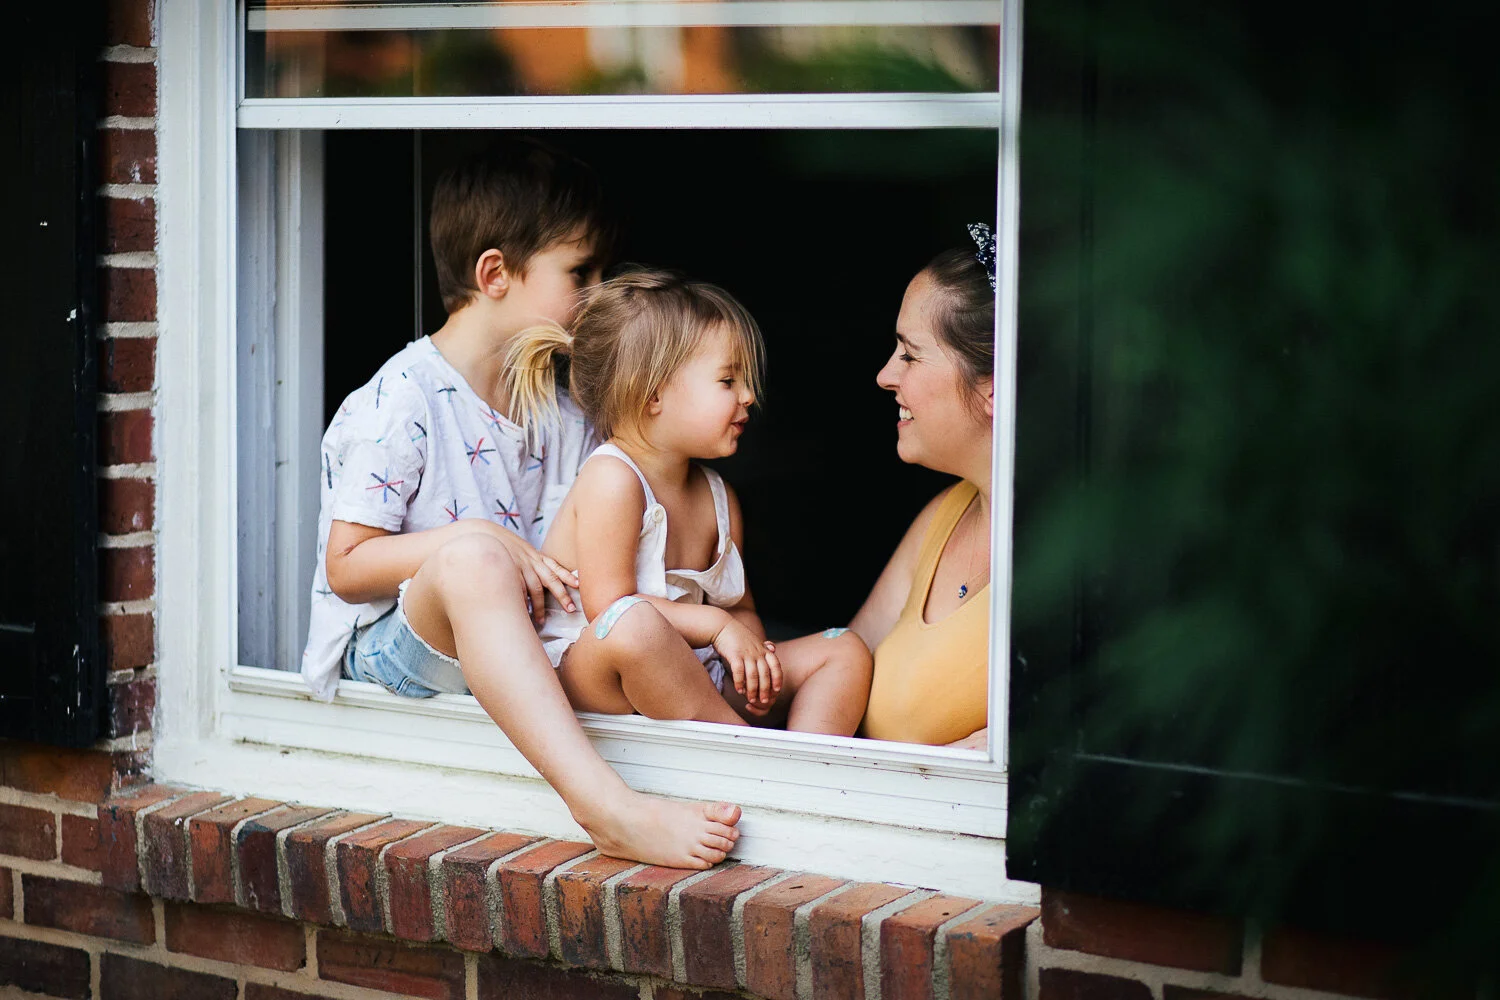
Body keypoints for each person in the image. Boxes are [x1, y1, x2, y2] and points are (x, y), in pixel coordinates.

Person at [301, 140, 741, 869]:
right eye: (581, 273)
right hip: (396, 648)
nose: (600, 292)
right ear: (495, 274)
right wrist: (474, 537)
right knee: (473, 558)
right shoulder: (402, 397)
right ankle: (604, 806)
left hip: (528, 649)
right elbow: (347, 567)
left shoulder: (566, 414)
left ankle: (723, 754)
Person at [506, 269, 873, 735]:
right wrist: (717, 626)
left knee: (846, 651)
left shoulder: (720, 497)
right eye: (728, 380)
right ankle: (748, 757)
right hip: (598, 672)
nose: (749, 396)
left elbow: (739, 606)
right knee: (634, 626)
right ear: (653, 392)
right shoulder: (613, 479)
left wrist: (753, 659)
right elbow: (610, 609)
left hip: (695, 674)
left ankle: (803, 773)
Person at [850, 226, 997, 748]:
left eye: (909, 355)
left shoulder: (1067, 571)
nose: (885, 376)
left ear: (993, 390)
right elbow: (843, 659)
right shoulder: (946, 513)